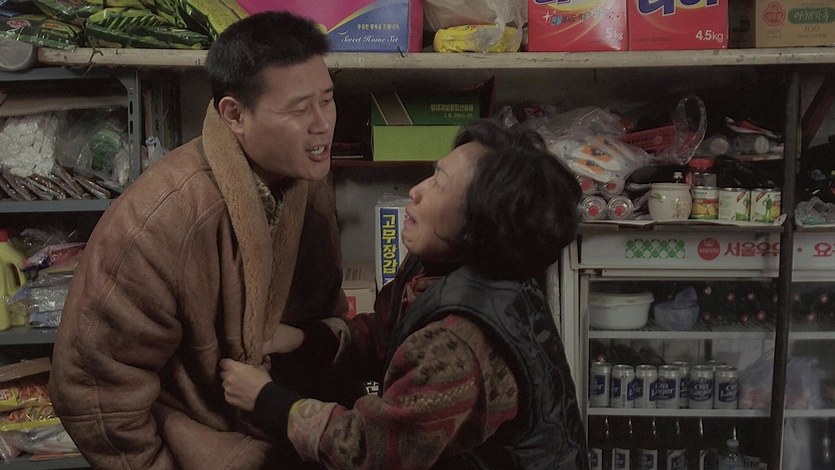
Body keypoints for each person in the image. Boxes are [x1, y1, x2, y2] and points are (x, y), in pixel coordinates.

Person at [48, 11, 365, 469]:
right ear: (234, 115)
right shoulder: (162, 216)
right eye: (299, 109)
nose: (323, 124)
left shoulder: (305, 181)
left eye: (327, 100)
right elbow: (90, 388)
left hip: (283, 431)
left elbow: (323, 312)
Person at [220, 118, 588, 469]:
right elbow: (387, 333)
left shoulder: (459, 342)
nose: (416, 190)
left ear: (477, 226)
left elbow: (371, 451)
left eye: (440, 183)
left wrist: (267, 400)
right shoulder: (443, 265)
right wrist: (306, 339)